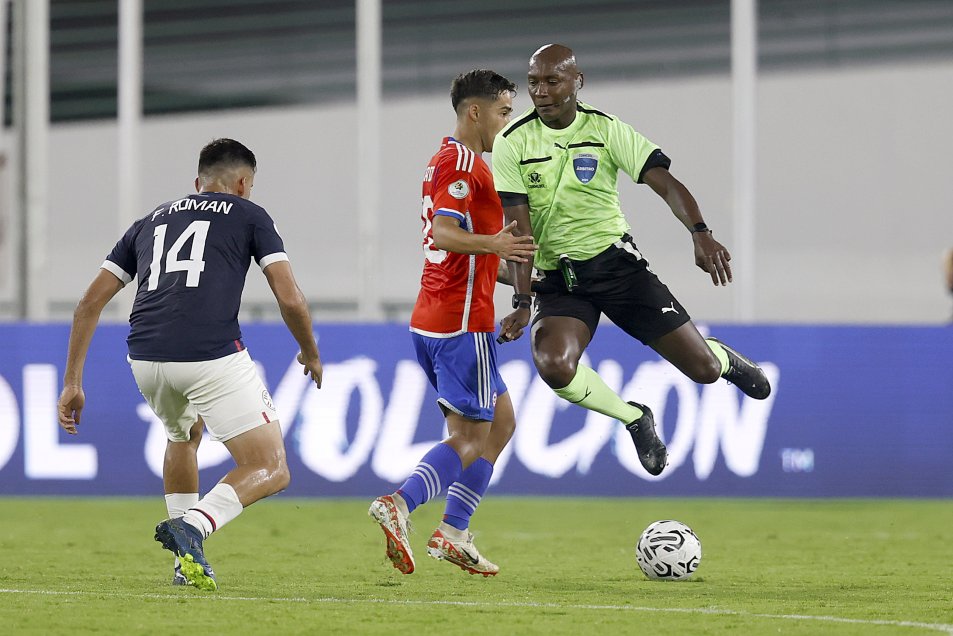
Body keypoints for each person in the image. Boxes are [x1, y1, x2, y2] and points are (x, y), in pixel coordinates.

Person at [493, 44, 771, 477]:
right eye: (533, 83)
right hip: (558, 278)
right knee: (554, 365)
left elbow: (666, 184)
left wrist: (701, 235)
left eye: (552, 81)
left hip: (617, 268)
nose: (541, 92)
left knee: (702, 370)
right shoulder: (511, 144)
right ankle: (634, 418)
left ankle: (725, 361)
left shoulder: (606, 130)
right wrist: (523, 300)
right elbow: (519, 231)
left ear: (576, 81)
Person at [56, 138, 322, 591]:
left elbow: (88, 304)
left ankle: (185, 562)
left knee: (184, 434)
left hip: (145, 357)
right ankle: (195, 526)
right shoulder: (249, 214)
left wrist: (72, 383)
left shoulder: (149, 221)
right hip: (208, 354)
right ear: (243, 183)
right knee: (272, 466)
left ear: (197, 184)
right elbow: (289, 296)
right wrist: (310, 351)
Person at [368, 69, 535, 577]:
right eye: (505, 112)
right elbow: (443, 233)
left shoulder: (458, 162)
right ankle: (400, 502)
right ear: (475, 112)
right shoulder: (462, 162)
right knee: (469, 435)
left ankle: (454, 532)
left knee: (500, 423)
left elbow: (470, 248)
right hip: (461, 322)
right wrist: (497, 244)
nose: (509, 121)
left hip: (442, 316)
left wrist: (525, 281)